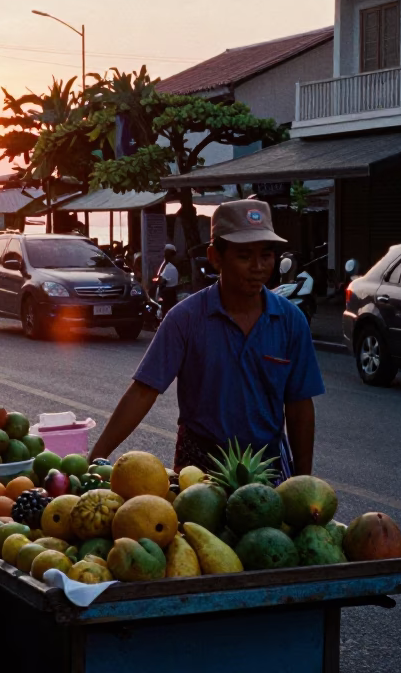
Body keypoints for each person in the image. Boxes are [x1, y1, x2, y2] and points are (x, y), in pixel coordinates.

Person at [88, 199, 324, 479]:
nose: (258, 267)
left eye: (266, 255)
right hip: (198, 465)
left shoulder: (291, 320)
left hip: (266, 465)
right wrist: (93, 461)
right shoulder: (185, 318)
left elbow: (299, 407)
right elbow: (142, 392)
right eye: (245, 256)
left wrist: (304, 483)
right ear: (215, 257)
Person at [154, 243, 181, 317]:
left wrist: (157, 281)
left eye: (167, 253)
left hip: (168, 294)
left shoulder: (169, 267)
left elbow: (162, 280)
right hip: (170, 292)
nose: (165, 255)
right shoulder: (169, 265)